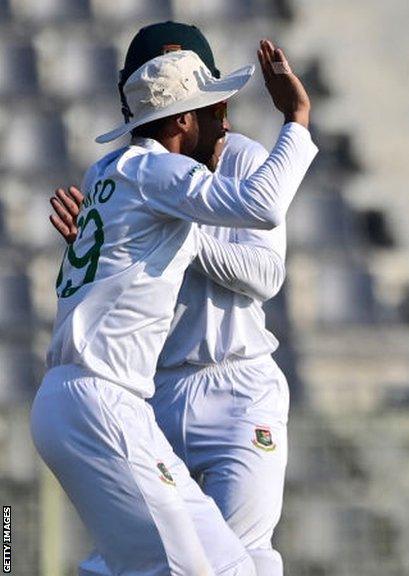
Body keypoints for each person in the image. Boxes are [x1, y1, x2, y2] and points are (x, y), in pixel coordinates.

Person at [31, 41, 317, 575]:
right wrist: (296, 121)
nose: (224, 127)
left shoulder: (110, 173)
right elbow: (261, 206)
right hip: (101, 398)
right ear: (183, 119)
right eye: (214, 112)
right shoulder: (154, 171)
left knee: (230, 566)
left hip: (105, 400)